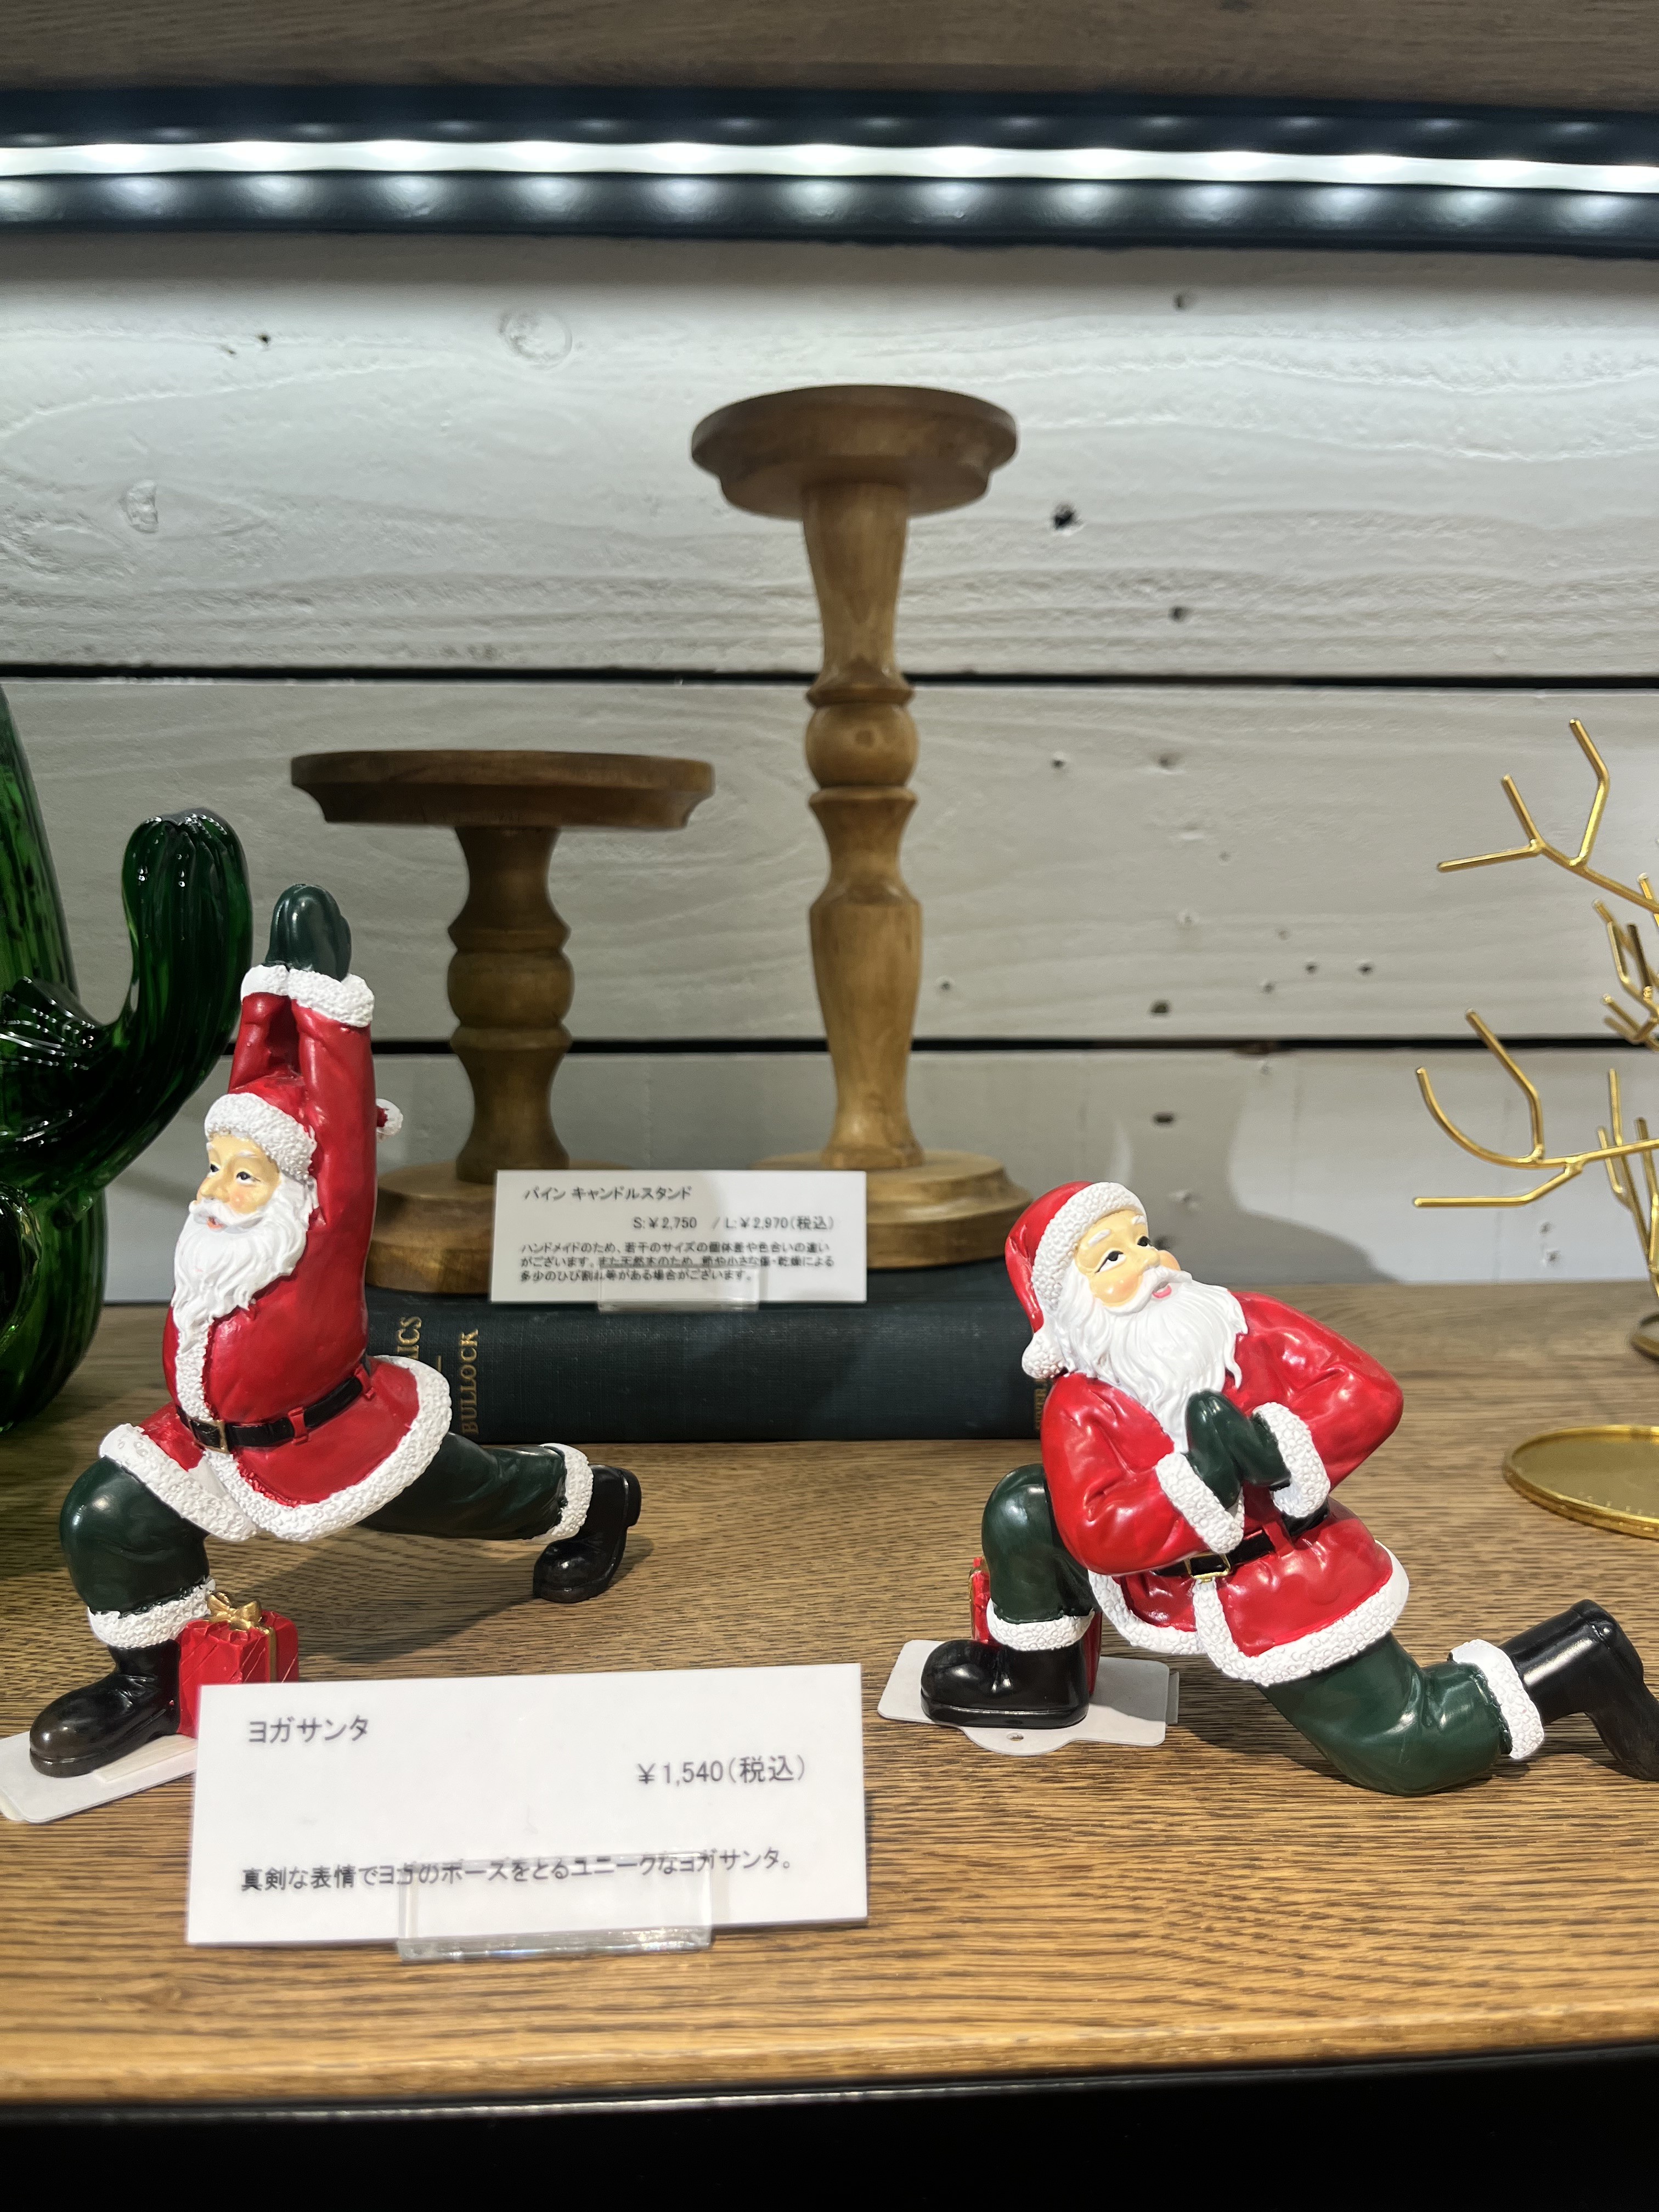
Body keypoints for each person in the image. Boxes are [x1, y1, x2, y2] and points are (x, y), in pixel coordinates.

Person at [30, 885, 639, 1779]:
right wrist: (264, 1005)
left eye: (243, 1176)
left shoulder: (324, 1216)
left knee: (478, 1496)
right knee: (106, 1515)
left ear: (305, 1189)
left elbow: (336, 1125)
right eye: (214, 1167)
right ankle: (148, 1681)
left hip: (328, 1441)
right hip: (206, 1445)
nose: (214, 1191)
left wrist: (318, 993)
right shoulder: (220, 1246)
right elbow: (251, 1091)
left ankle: (591, 1499)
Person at [921, 1179, 1659, 1795]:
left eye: (1144, 1241)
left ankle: (1582, 1661)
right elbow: (1096, 1532)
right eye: (1113, 1257)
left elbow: (1367, 1391)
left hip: (1284, 1573)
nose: (1149, 1264)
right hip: (1160, 1577)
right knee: (1029, 1508)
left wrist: (1269, 1447)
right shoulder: (1082, 1403)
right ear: (1070, 1304)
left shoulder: (1244, 1324)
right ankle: (1038, 1678)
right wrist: (1200, 1476)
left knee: (1409, 1747)